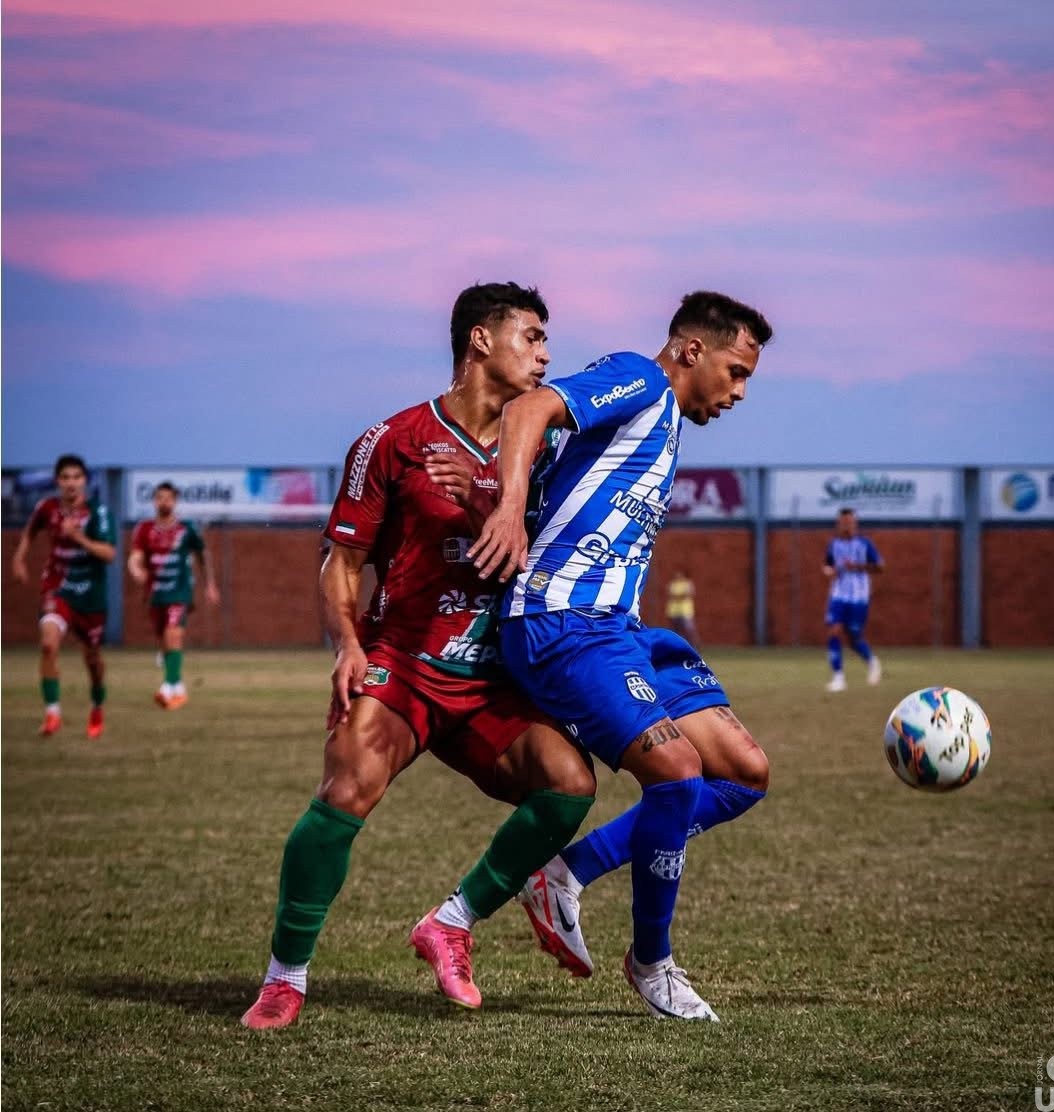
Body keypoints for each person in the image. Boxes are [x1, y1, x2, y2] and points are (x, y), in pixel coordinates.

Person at [241, 282, 596, 1029]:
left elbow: (550, 558)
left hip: (493, 677)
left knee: (567, 787)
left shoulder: (549, 449)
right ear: (479, 341)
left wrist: (482, 496)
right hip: (401, 665)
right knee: (342, 795)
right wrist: (345, 646)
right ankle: (284, 977)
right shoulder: (391, 441)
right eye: (531, 337)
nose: (545, 354)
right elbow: (341, 561)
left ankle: (450, 923)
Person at [470, 290, 774, 1022]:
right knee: (676, 773)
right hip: (561, 616)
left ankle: (568, 872)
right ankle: (652, 963)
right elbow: (526, 410)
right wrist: (506, 509)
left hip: (620, 628)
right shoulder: (639, 377)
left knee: (742, 773)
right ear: (691, 351)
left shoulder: (663, 423)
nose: (737, 393)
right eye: (734, 372)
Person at [11, 454, 116, 740]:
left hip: (91, 593)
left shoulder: (98, 513)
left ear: (85, 481)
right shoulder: (47, 508)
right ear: (57, 481)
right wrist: (19, 558)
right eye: (65, 477)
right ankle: (53, 713)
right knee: (48, 645)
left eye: (76, 477)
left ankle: (96, 706)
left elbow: (109, 554)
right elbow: (29, 533)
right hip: (58, 585)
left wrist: (79, 537)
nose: (71, 483)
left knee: (93, 659)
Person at [127, 481, 220, 710]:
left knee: (173, 635)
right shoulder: (145, 529)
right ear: (154, 500)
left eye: (168, 498)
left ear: (175, 500)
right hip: (156, 593)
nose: (164, 502)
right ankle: (178, 687)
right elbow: (135, 557)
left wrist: (210, 584)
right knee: (166, 642)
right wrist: (135, 569)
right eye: (160, 497)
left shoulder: (187, 528)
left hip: (179, 591)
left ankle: (167, 687)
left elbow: (202, 554)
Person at [822, 507, 884, 692]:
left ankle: (872, 662)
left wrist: (856, 566)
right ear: (839, 524)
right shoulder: (833, 544)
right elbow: (827, 564)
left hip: (859, 597)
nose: (846, 525)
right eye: (843, 522)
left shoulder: (865, 544)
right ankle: (838, 678)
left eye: (849, 522)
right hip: (839, 595)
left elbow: (880, 567)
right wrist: (828, 571)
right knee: (834, 631)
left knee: (853, 638)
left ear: (855, 523)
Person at [664, 568, 698, 647]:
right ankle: (676, 646)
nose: (678, 575)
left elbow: (688, 594)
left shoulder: (687, 584)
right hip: (673, 611)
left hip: (685, 611)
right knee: (675, 631)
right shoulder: (672, 584)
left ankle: (693, 646)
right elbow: (670, 594)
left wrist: (678, 596)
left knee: (689, 630)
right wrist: (681, 595)